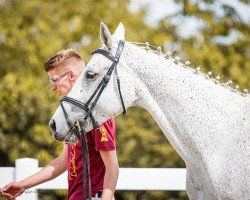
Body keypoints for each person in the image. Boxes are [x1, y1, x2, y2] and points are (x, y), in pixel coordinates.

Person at [0, 50, 119, 200]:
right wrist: (23, 185)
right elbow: (64, 161)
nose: (53, 87)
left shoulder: (98, 113)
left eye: (54, 80)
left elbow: (112, 167)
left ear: (70, 75)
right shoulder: (73, 114)